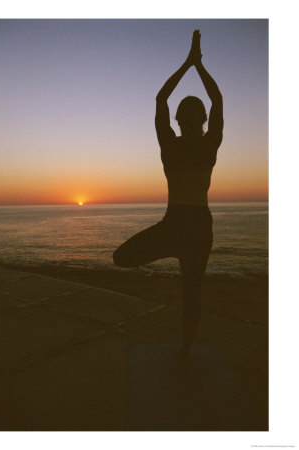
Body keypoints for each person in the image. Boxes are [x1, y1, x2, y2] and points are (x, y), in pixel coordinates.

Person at [113, 30, 223, 365]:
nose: (189, 122)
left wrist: (189, 65)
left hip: (182, 225)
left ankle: (186, 349)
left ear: (188, 121)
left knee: (188, 292)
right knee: (186, 290)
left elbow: (164, 100)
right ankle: (185, 347)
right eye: (188, 119)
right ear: (191, 121)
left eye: (189, 118)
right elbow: (214, 101)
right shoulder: (198, 148)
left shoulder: (179, 148)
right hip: (188, 225)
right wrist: (195, 65)